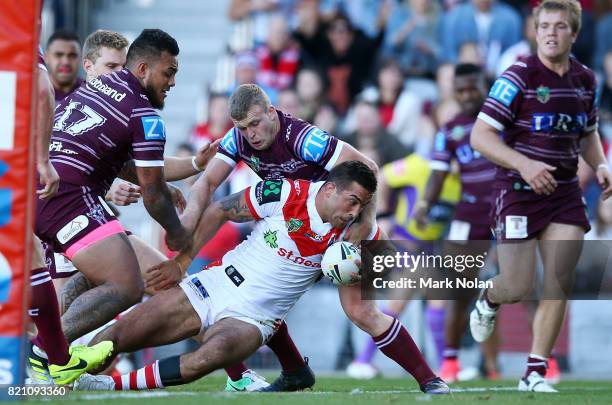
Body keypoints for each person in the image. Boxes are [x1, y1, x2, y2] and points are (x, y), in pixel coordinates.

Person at [149, 83, 443, 392]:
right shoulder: (237, 138)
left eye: (255, 123)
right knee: (250, 297)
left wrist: (362, 225)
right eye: (242, 127)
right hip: (293, 226)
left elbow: (367, 168)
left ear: (272, 113)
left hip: (336, 225)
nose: (250, 133)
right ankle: (291, 371)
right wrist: (185, 226)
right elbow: (207, 183)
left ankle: (430, 379)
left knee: (361, 311)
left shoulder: (304, 139)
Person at [74, 162, 448, 395]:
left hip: (255, 319)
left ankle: (111, 385)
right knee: (122, 336)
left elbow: (390, 263)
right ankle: (57, 368)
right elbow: (220, 208)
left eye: (362, 206)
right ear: (329, 189)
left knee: (207, 358)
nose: (355, 212)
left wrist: (366, 265)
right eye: (352, 201)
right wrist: (182, 261)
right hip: (212, 286)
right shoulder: (284, 192)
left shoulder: (355, 233)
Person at [468, 0, 612, 392]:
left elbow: (588, 134)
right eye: (544, 25)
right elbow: (479, 137)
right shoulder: (517, 76)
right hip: (517, 191)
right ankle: (491, 298)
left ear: (574, 33)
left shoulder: (586, 80)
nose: (551, 32)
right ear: (534, 30)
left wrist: (600, 166)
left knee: (559, 283)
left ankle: (534, 373)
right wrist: (525, 165)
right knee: (518, 285)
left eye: (560, 26)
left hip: (564, 191)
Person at [35, 29, 196, 349]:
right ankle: (49, 353)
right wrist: (176, 232)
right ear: (143, 69)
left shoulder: (93, 87)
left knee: (109, 273)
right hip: (69, 198)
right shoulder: (144, 114)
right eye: (169, 72)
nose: (172, 82)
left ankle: (55, 361)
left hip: (45, 191)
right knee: (128, 284)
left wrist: (183, 170)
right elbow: (152, 195)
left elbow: (117, 160)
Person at [27, 45, 113, 385]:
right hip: (49, 191)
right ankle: (54, 360)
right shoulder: (14, 22)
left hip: (72, 202)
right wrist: (42, 160)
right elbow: (40, 88)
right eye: (112, 65)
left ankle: (58, 360)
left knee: (32, 260)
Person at [414, 63, 499, 382]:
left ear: (484, 86)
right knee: (458, 289)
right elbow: (438, 173)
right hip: (469, 214)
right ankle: (450, 362)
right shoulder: (449, 130)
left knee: (522, 286)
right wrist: (424, 204)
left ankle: (539, 363)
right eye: (460, 90)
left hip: (508, 210)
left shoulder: (504, 122)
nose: (466, 95)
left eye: (472, 88)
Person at [44, 30, 84, 103]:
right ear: (46, 57)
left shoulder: (91, 94)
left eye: (72, 55)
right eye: (59, 55)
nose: (66, 62)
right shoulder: (33, 93)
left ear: (81, 59)